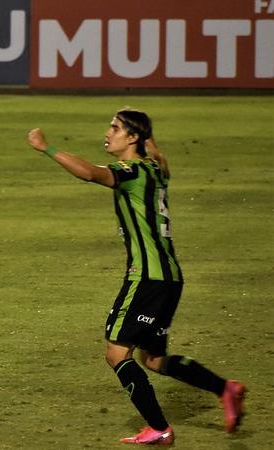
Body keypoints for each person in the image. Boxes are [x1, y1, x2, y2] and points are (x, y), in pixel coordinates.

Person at [27, 108, 245, 445]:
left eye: (115, 127)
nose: (108, 132)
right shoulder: (157, 168)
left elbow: (89, 173)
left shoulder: (133, 172)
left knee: (116, 354)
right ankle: (225, 388)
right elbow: (147, 157)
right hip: (170, 277)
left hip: (146, 279)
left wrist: (46, 148)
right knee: (154, 359)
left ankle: (159, 428)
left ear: (133, 138)